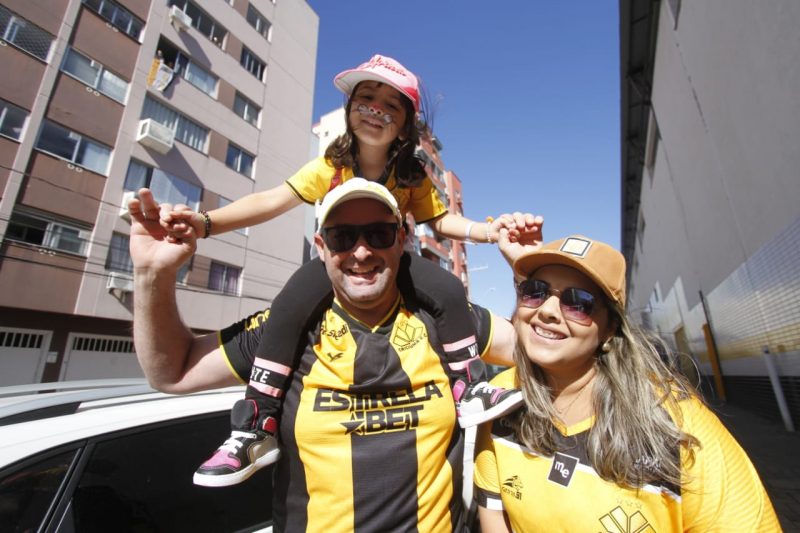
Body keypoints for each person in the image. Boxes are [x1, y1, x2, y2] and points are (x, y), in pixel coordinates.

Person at [158, 54, 526, 486]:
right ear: (350, 110)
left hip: (395, 265)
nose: (375, 110)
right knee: (288, 306)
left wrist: (489, 231)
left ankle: (470, 388)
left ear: (405, 127)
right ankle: (256, 426)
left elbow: (441, 221)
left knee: (445, 286)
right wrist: (205, 224)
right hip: (334, 265)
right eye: (366, 98)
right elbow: (272, 200)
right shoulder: (329, 168)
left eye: (391, 105)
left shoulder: (411, 175)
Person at [128, 181, 540, 531]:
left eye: (378, 234)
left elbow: (541, 352)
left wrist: (528, 272)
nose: (361, 252)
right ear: (321, 247)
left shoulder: (446, 320)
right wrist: (152, 273)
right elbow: (173, 372)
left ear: (401, 240)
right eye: (343, 237)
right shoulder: (285, 330)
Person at [473, 232, 781, 532]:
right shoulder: (499, 398)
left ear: (610, 330)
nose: (548, 311)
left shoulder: (677, 423)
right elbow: (494, 512)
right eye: (535, 291)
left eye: (578, 303)